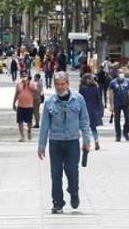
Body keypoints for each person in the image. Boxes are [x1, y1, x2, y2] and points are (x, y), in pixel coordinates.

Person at [38, 72, 92, 214]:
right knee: (55, 174)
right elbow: (44, 126)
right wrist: (41, 146)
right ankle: (57, 202)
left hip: (72, 142)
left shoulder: (78, 99)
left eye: (63, 84)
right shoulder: (50, 102)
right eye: (57, 84)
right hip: (55, 142)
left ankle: (74, 192)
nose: (60, 87)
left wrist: (87, 140)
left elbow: (85, 121)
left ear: (68, 83)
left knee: (72, 172)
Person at [108, 69, 129, 142]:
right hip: (117, 104)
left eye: (122, 72)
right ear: (117, 74)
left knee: (128, 119)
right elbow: (110, 94)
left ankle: (126, 132)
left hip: (126, 103)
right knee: (117, 120)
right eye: (120, 73)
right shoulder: (113, 82)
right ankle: (118, 135)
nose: (121, 74)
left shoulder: (128, 81)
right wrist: (111, 105)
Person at [79, 73, 104, 150]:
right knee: (93, 128)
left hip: (85, 110)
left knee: (85, 128)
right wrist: (100, 110)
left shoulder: (82, 88)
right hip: (94, 110)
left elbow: (79, 100)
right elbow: (99, 100)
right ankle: (96, 141)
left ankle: (86, 143)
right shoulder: (95, 88)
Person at [13, 70, 36, 142]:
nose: (24, 77)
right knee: (20, 121)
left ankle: (29, 131)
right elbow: (16, 93)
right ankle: (22, 136)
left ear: (27, 76)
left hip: (29, 105)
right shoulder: (18, 84)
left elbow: (35, 90)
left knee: (29, 121)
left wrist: (28, 83)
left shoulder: (32, 83)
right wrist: (14, 103)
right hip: (20, 105)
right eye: (22, 76)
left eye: (25, 75)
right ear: (20, 76)